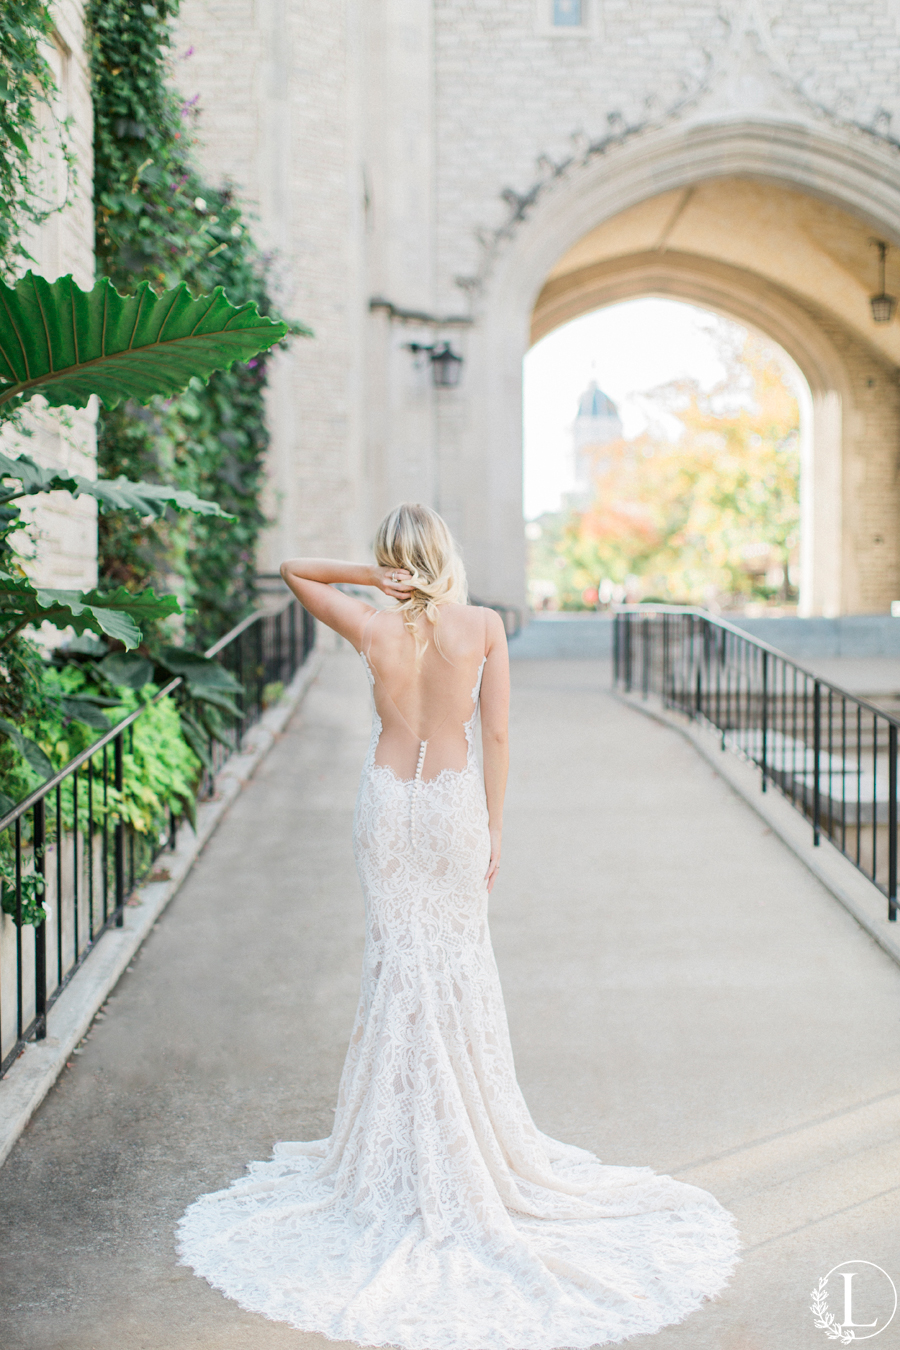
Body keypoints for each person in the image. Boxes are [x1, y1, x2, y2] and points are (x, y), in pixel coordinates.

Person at [177, 502, 739, 1348]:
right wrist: (497, 823)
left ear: (392, 560)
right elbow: (498, 729)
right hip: (451, 809)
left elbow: (296, 572)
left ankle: (393, 1144)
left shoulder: (369, 624)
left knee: (394, 965)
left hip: (387, 808)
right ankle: (458, 1140)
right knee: (454, 963)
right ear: (445, 554)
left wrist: (376, 581)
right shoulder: (481, 625)